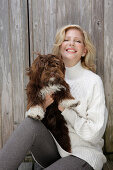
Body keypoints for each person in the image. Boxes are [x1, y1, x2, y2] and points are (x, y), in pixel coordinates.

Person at [0, 25, 108, 170]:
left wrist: (65, 110)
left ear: (84, 51)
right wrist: (42, 106)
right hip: (53, 151)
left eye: (77, 41)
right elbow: (34, 115)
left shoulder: (93, 81)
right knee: (30, 123)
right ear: (60, 47)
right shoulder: (45, 77)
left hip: (83, 154)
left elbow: (94, 134)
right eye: (66, 40)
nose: (71, 43)